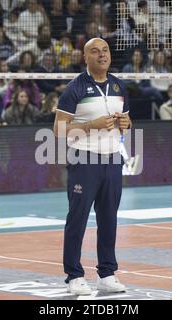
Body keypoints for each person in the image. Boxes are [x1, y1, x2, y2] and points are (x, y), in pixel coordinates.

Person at [53, 38, 131, 295]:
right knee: (78, 218)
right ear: (85, 58)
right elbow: (58, 130)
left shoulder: (119, 85)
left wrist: (126, 123)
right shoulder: (74, 88)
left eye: (105, 50)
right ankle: (74, 276)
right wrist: (90, 126)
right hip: (84, 159)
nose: (102, 55)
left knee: (109, 218)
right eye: (95, 52)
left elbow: (126, 119)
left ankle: (107, 274)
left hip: (112, 159)